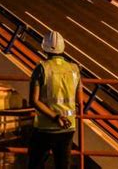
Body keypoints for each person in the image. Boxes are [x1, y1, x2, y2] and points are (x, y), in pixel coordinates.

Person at [28, 30, 80, 169]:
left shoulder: (41, 69)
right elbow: (79, 101)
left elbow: (34, 100)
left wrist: (56, 117)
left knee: (36, 164)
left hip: (45, 127)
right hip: (68, 127)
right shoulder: (74, 69)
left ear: (44, 48)